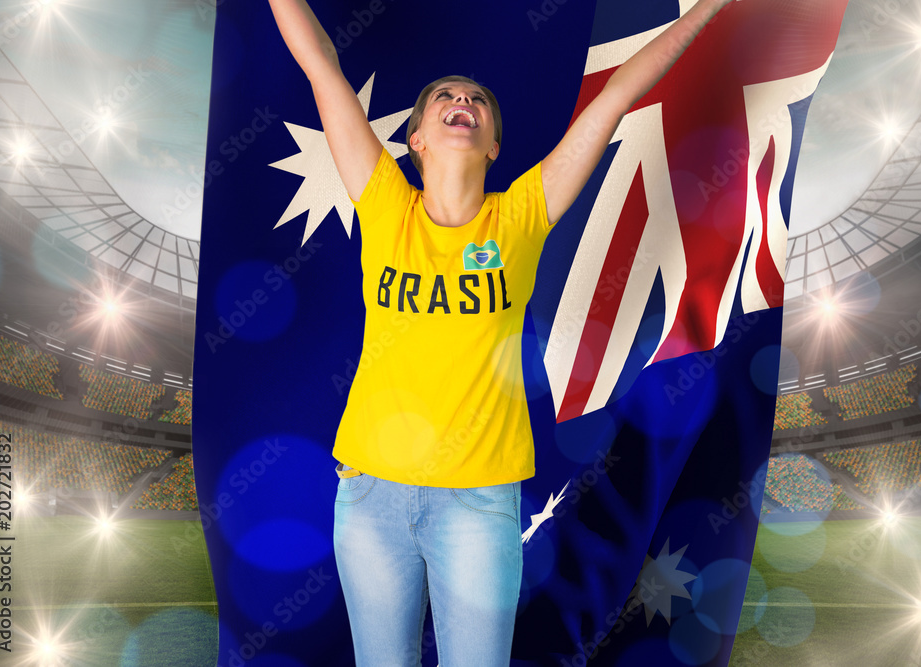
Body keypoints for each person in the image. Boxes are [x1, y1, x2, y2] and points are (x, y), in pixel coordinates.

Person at [267, 1, 734, 664]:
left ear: (493, 145)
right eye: (445, 99)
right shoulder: (384, 204)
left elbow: (621, 92)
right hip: (370, 499)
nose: (463, 100)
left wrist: (708, 9)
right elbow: (320, 64)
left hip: (477, 509)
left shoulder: (520, 215)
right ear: (416, 141)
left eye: (478, 100)